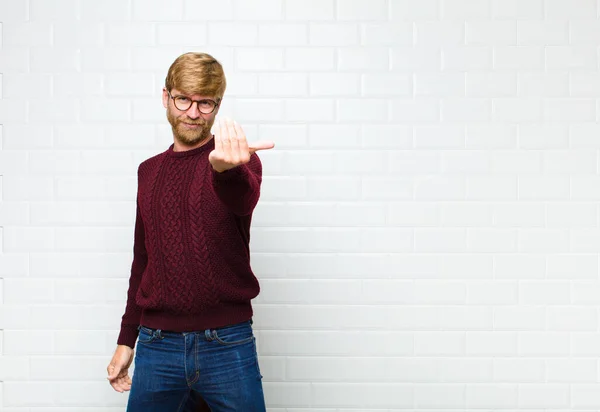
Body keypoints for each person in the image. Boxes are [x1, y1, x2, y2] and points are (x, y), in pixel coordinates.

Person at [106, 52, 274, 411]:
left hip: (227, 342)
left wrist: (225, 170)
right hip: (157, 345)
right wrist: (126, 340)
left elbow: (242, 200)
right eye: (184, 99)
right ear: (166, 97)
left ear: (217, 106)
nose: (193, 113)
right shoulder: (148, 172)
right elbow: (143, 260)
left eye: (205, 103)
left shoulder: (239, 161)